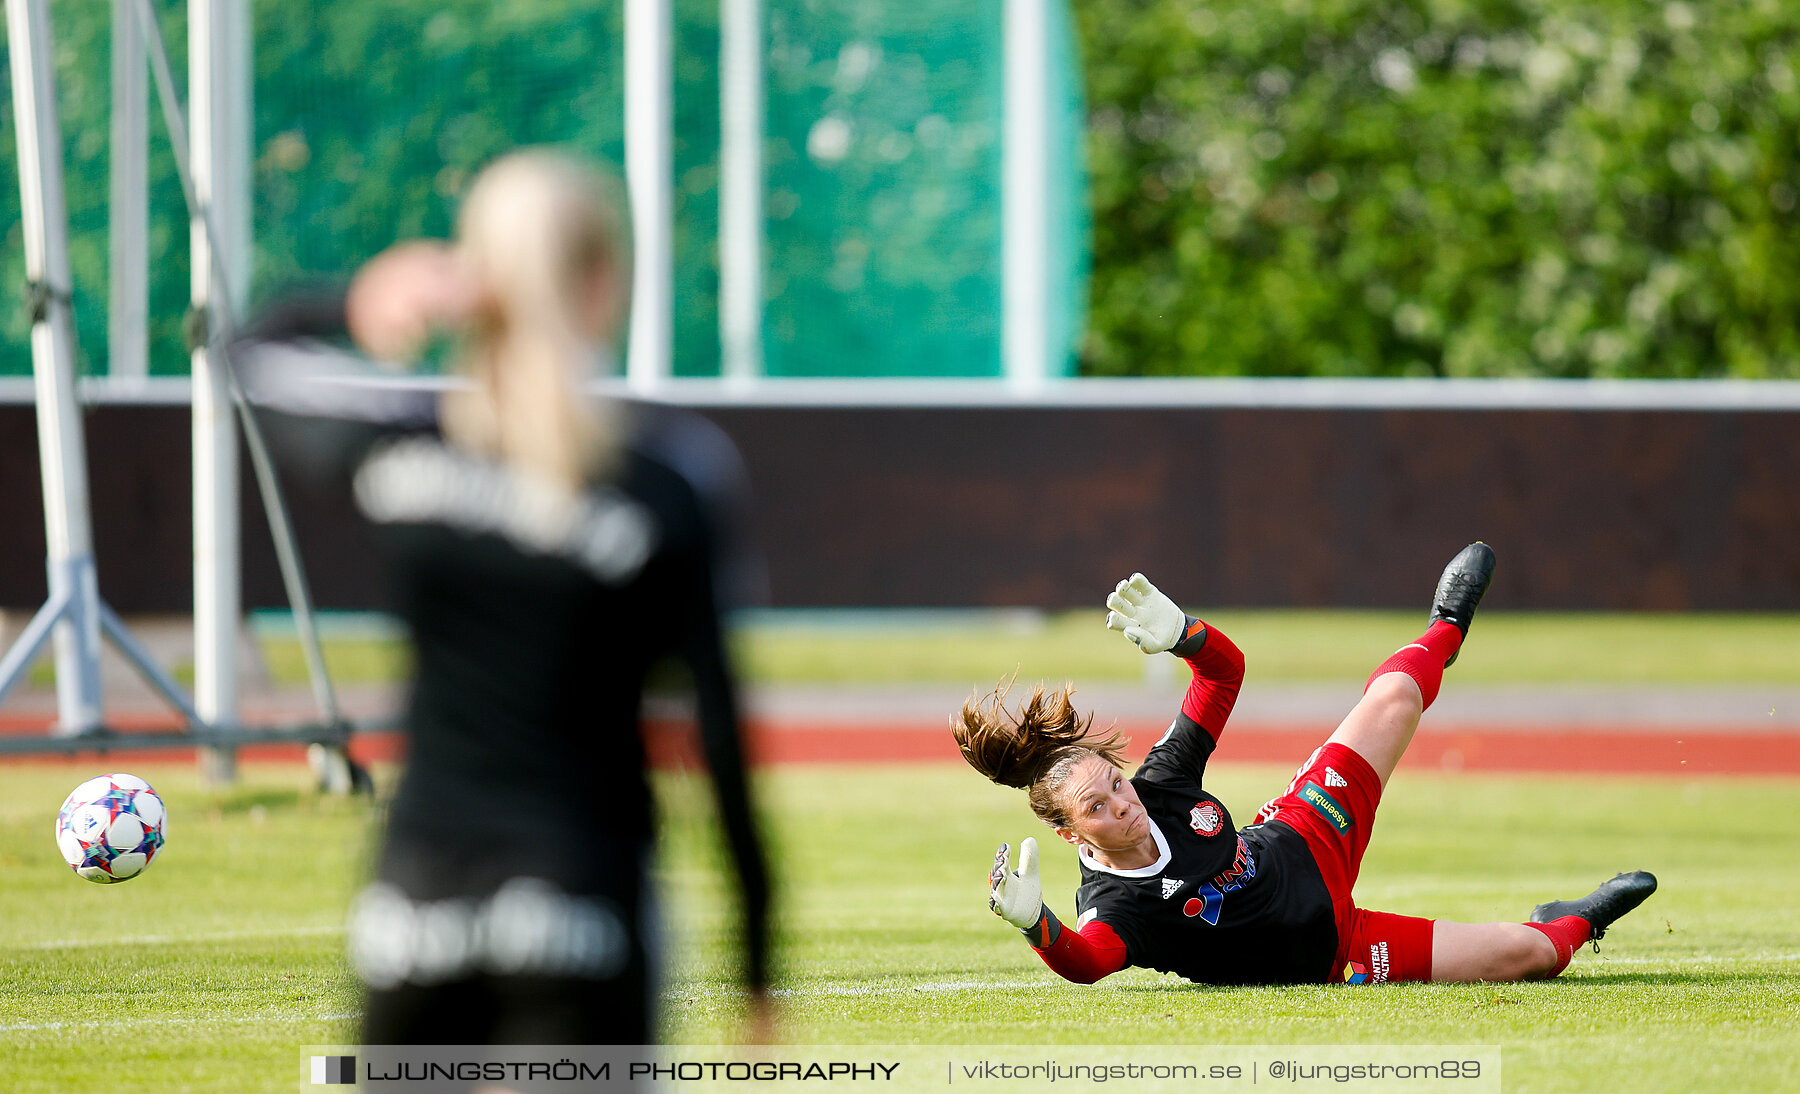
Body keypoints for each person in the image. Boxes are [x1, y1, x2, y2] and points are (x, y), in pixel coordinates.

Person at [232, 150, 770, 1042]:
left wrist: (355, 301)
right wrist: (756, 956)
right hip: (582, 903)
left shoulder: (405, 452)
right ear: (603, 282)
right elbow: (718, 732)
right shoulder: (668, 481)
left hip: (415, 907)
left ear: (474, 279)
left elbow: (246, 352)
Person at [955, 543, 1655, 986]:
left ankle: (1445, 626)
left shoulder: (1161, 783)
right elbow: (1087, 963)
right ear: (1071, 836)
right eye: (1098, 809)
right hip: (1336, 950)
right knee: (1531, 957)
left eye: (1113, 782)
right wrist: (1037, 925)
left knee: (1394, 700)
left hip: (1304, 831)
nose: (1122, 802)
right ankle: (1574, 921)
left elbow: (1224, 677)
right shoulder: (1114, 908)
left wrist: (1185, 637)